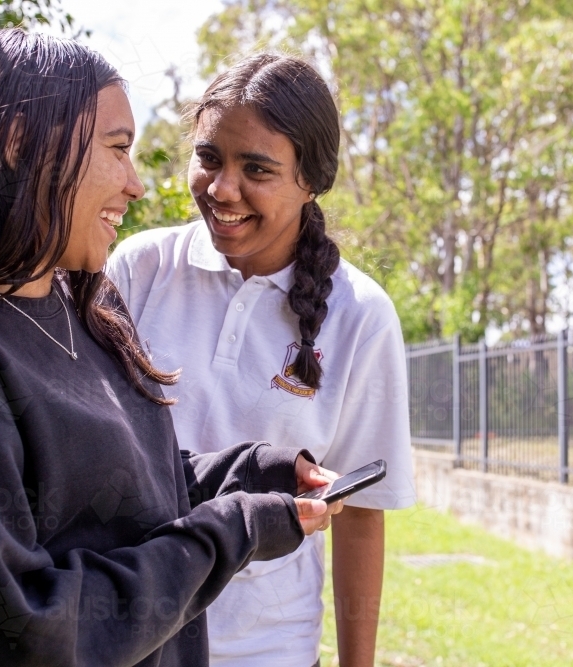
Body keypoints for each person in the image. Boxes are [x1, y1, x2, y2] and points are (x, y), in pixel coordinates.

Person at [0, 30, 342, 667]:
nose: (136, 184)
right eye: (118, 149)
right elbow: (24, 632)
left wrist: (248, 471)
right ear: (24, 145)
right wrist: (234, 531)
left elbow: (119, 492)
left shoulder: (86, 311)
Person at [107, 54, 416, 667]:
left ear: (312, 180)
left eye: (257, 169)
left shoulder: (360, 317)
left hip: (263, 649)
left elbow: (360, 518)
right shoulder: (137, 270)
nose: (222, 189)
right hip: (123, 635)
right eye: (210, 158)